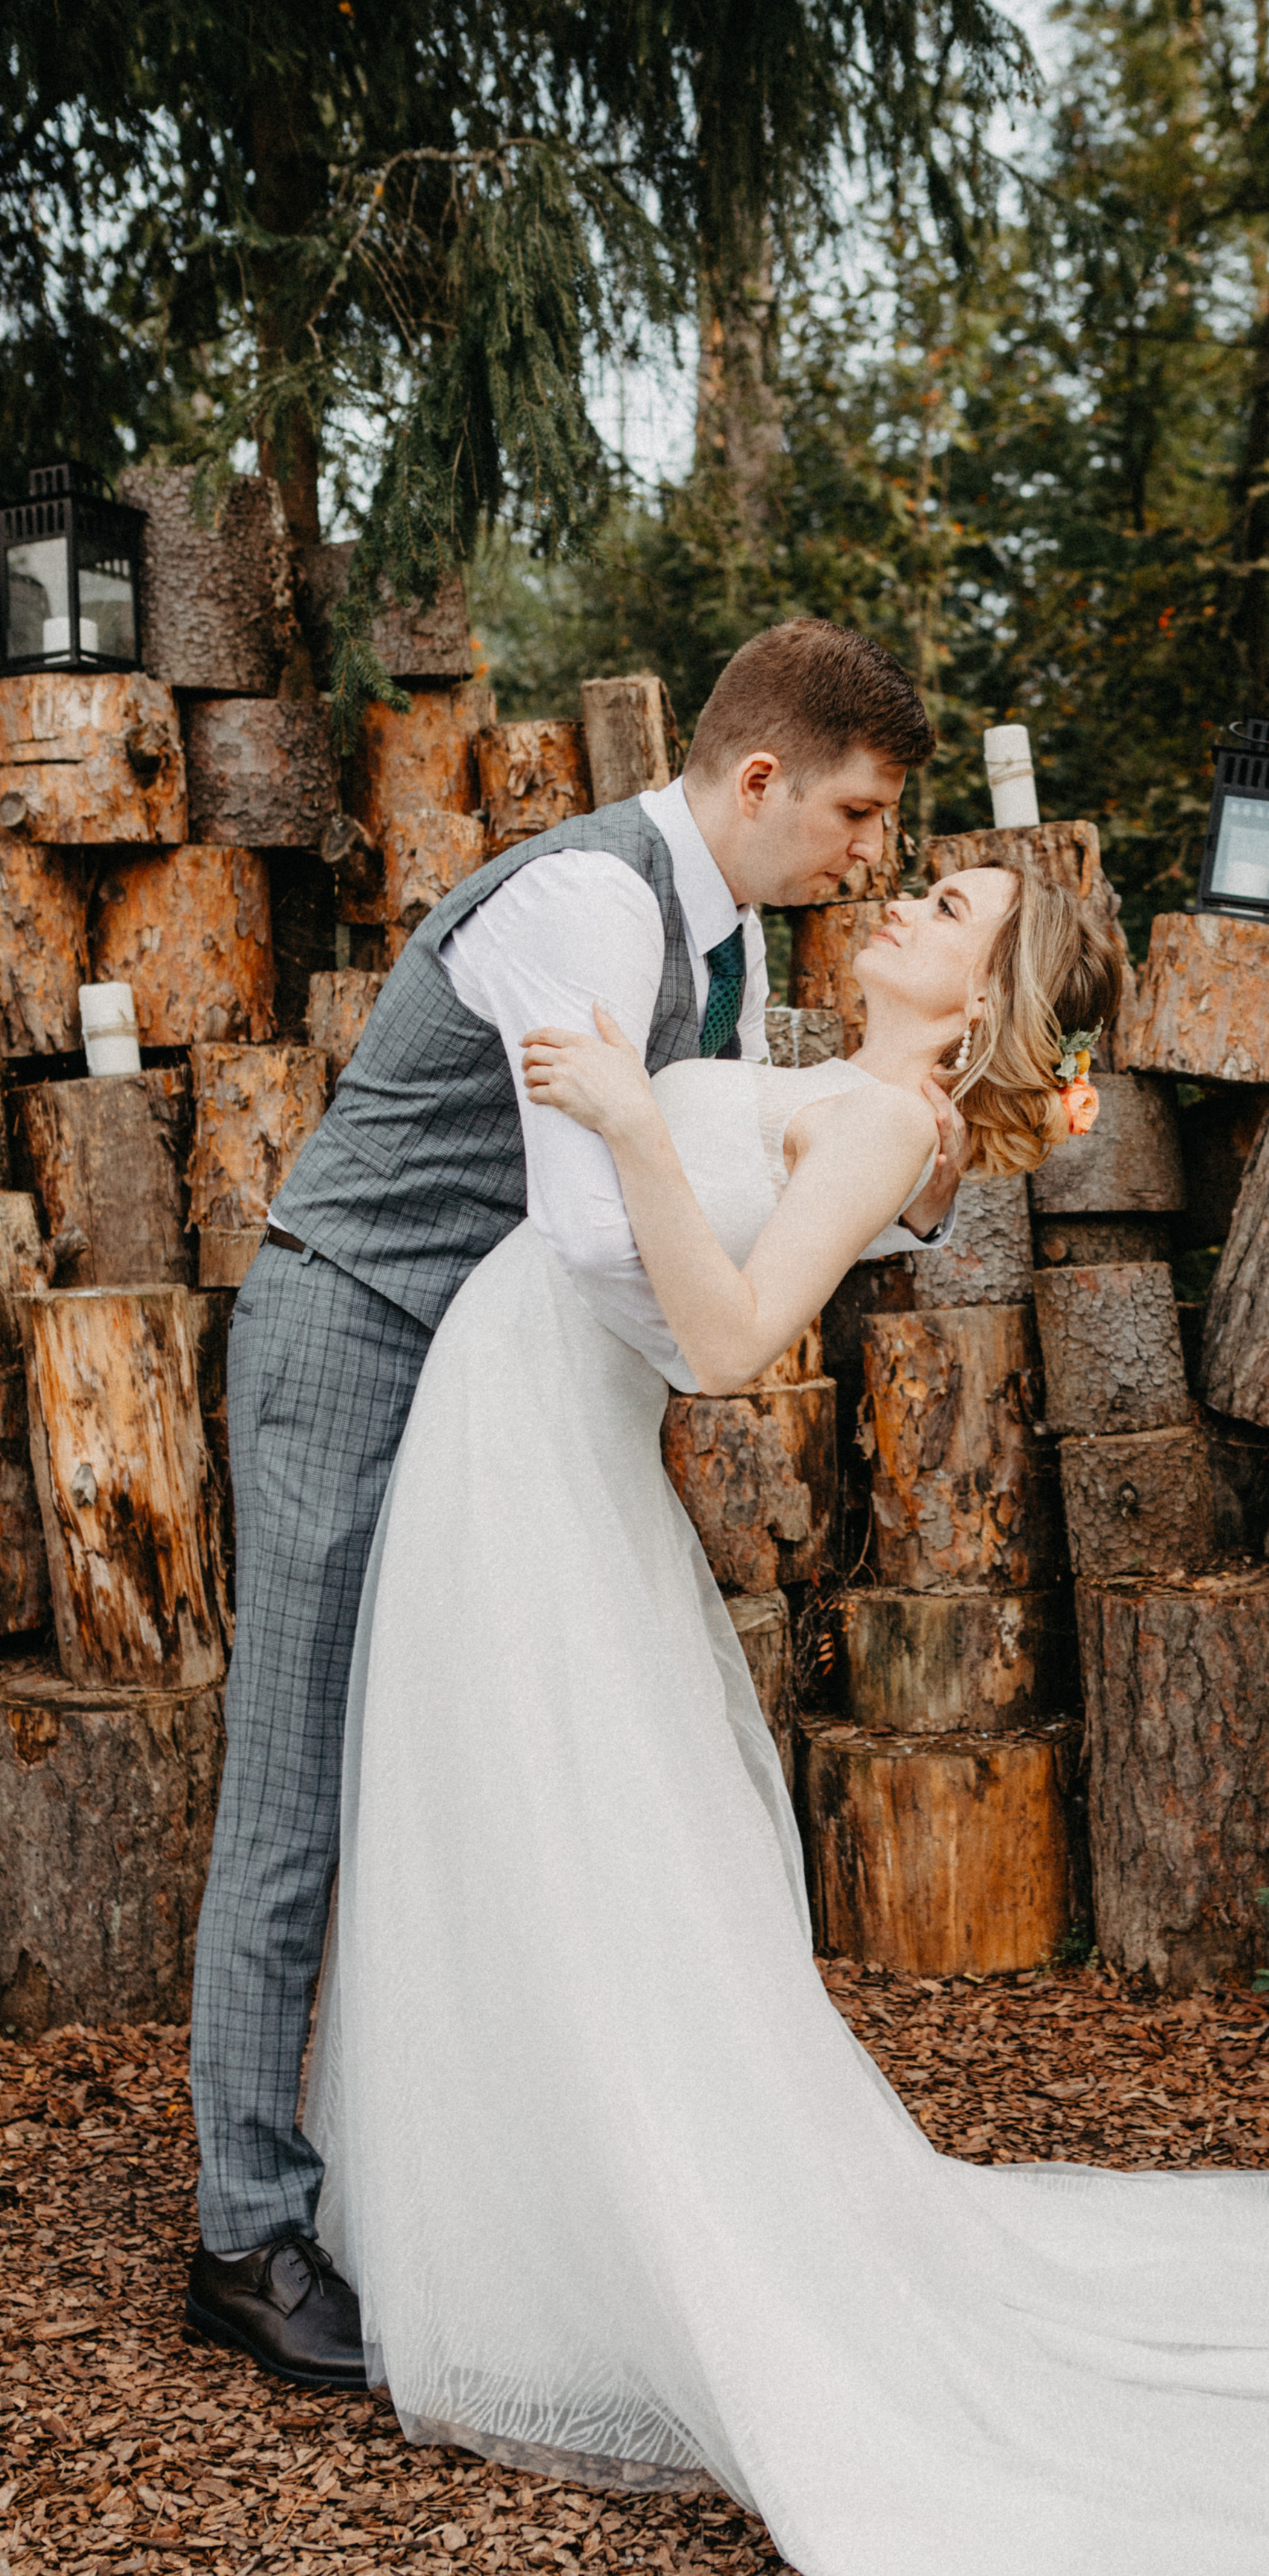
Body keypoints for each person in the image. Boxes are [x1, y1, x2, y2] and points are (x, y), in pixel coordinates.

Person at [303, 846, 1269, 2576]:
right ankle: (537, 2237)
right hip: (510, 1430)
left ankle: (623, 2264)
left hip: (548, 1454)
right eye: (924, 880)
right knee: (524, 1851)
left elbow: (719, 1348)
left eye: (951, 911)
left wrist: (625, 1112)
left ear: (983, 1002)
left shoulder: (883, 1119)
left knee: (560, 1851)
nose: (911, 903)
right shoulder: (842, 1081)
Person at [186, 619, 969, 2390]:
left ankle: (472, 2177)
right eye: (852, 813)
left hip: (501, 1389)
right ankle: (244, 2230)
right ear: (758, 779)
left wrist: (900, 1171)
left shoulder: (731, 932)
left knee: (478, 1777)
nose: (868, 854)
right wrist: (708, 1349)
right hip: (358, 1335)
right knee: (299, 1774)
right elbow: (603, 1229)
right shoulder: (585, 907)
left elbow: (721, 1149)